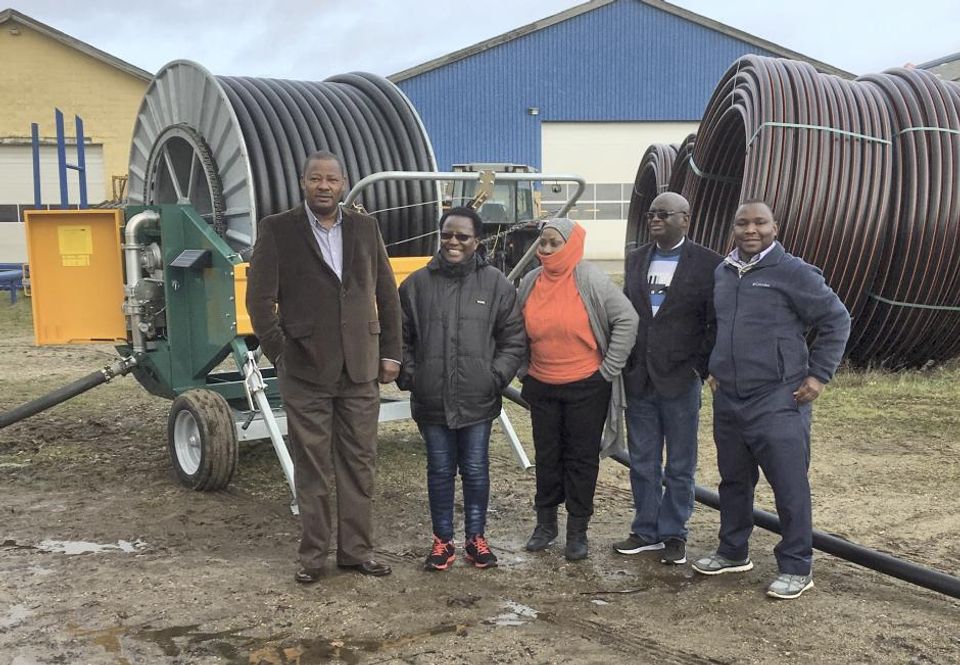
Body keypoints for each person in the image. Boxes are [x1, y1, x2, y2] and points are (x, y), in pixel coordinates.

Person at [246, 150, 402, 584]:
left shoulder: (366, 228)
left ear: (343, 183)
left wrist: (391, 352)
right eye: (316, 179)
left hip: (360, 370)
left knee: (360, 462)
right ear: (303, 182)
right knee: (312, 466)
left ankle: (357, 551)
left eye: (331, 179)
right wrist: (282, 352)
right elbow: (259, 302)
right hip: (306, 371)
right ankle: (313, 557)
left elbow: (387, 294)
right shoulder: (277, 230)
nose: (324, 186)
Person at [692, 199, 850, 600]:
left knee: (789, 484)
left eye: (760, 223)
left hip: (778, 397)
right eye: (743, 222)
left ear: (774, 228)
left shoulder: (792, 272)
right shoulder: (724, 272)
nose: (751, 230)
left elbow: (837, 319)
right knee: (733, 480)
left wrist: (819, 375)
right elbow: (717, 324)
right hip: (729, 398)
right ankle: (733, 551)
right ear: (734, 229)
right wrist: (712, 366)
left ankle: (797, 567)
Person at [397, 207, 525, 571]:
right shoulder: (416, 285)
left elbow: (513, 339)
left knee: (475, 468)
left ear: (477, 241)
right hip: (432, 399)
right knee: (439, 469)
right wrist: (411, 376)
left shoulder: (496, 284)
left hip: (477, 399)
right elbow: (399, 337)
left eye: (462, 237)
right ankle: (442, 541)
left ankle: (475, 538)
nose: (453, 242)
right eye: (447, 235)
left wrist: (494, 376)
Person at [518, 218, 638, 561]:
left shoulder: (591, 279)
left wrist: (608, 370)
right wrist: (523, 370)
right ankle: (545, 525)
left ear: (571, 245)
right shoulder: (531, 281)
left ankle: (577, 530)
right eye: (543, 243)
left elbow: (627, 320)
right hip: (542, 384)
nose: (546, 249)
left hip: (586, 386)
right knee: (546, 456)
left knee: (581, 458)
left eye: (554, 243)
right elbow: (513, 327)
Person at [615, 192, 722, 565]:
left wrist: (700, 366)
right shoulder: (636, 260)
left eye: (663, 214)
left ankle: (674, 533)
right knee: (643, 460)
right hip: (640, 379)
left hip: (680, 381)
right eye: (651, 214)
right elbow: (627, 313)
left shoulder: (709, 264)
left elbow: (715, 322)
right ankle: (645, 530)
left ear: (685, 219)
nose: (655, 219)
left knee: (680, 464)